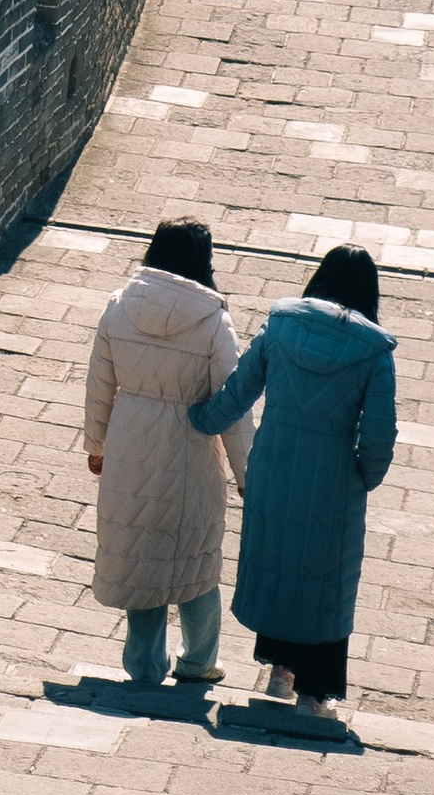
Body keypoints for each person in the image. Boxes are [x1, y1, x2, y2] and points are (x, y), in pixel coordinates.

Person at [188, 243, 397, 719]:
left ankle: (280, 671)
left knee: (280, 561)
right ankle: (314, 694)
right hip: (333, 478)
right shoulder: (374, 351)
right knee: (325, 578)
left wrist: (200, 419)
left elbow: (239, 390)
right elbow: (379, 433)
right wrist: (365, 476)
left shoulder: (281, 324)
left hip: (275, 466)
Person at [82, 217, 253, 689]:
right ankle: (199, 661)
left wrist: (96, 445)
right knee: (197, 559)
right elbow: (232, 405)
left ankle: (144, 666)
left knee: (141, 553)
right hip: (190, 450)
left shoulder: (120, 305)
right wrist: (247, 474)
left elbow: (99, 383)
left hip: (128, 442)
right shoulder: (213, 321)